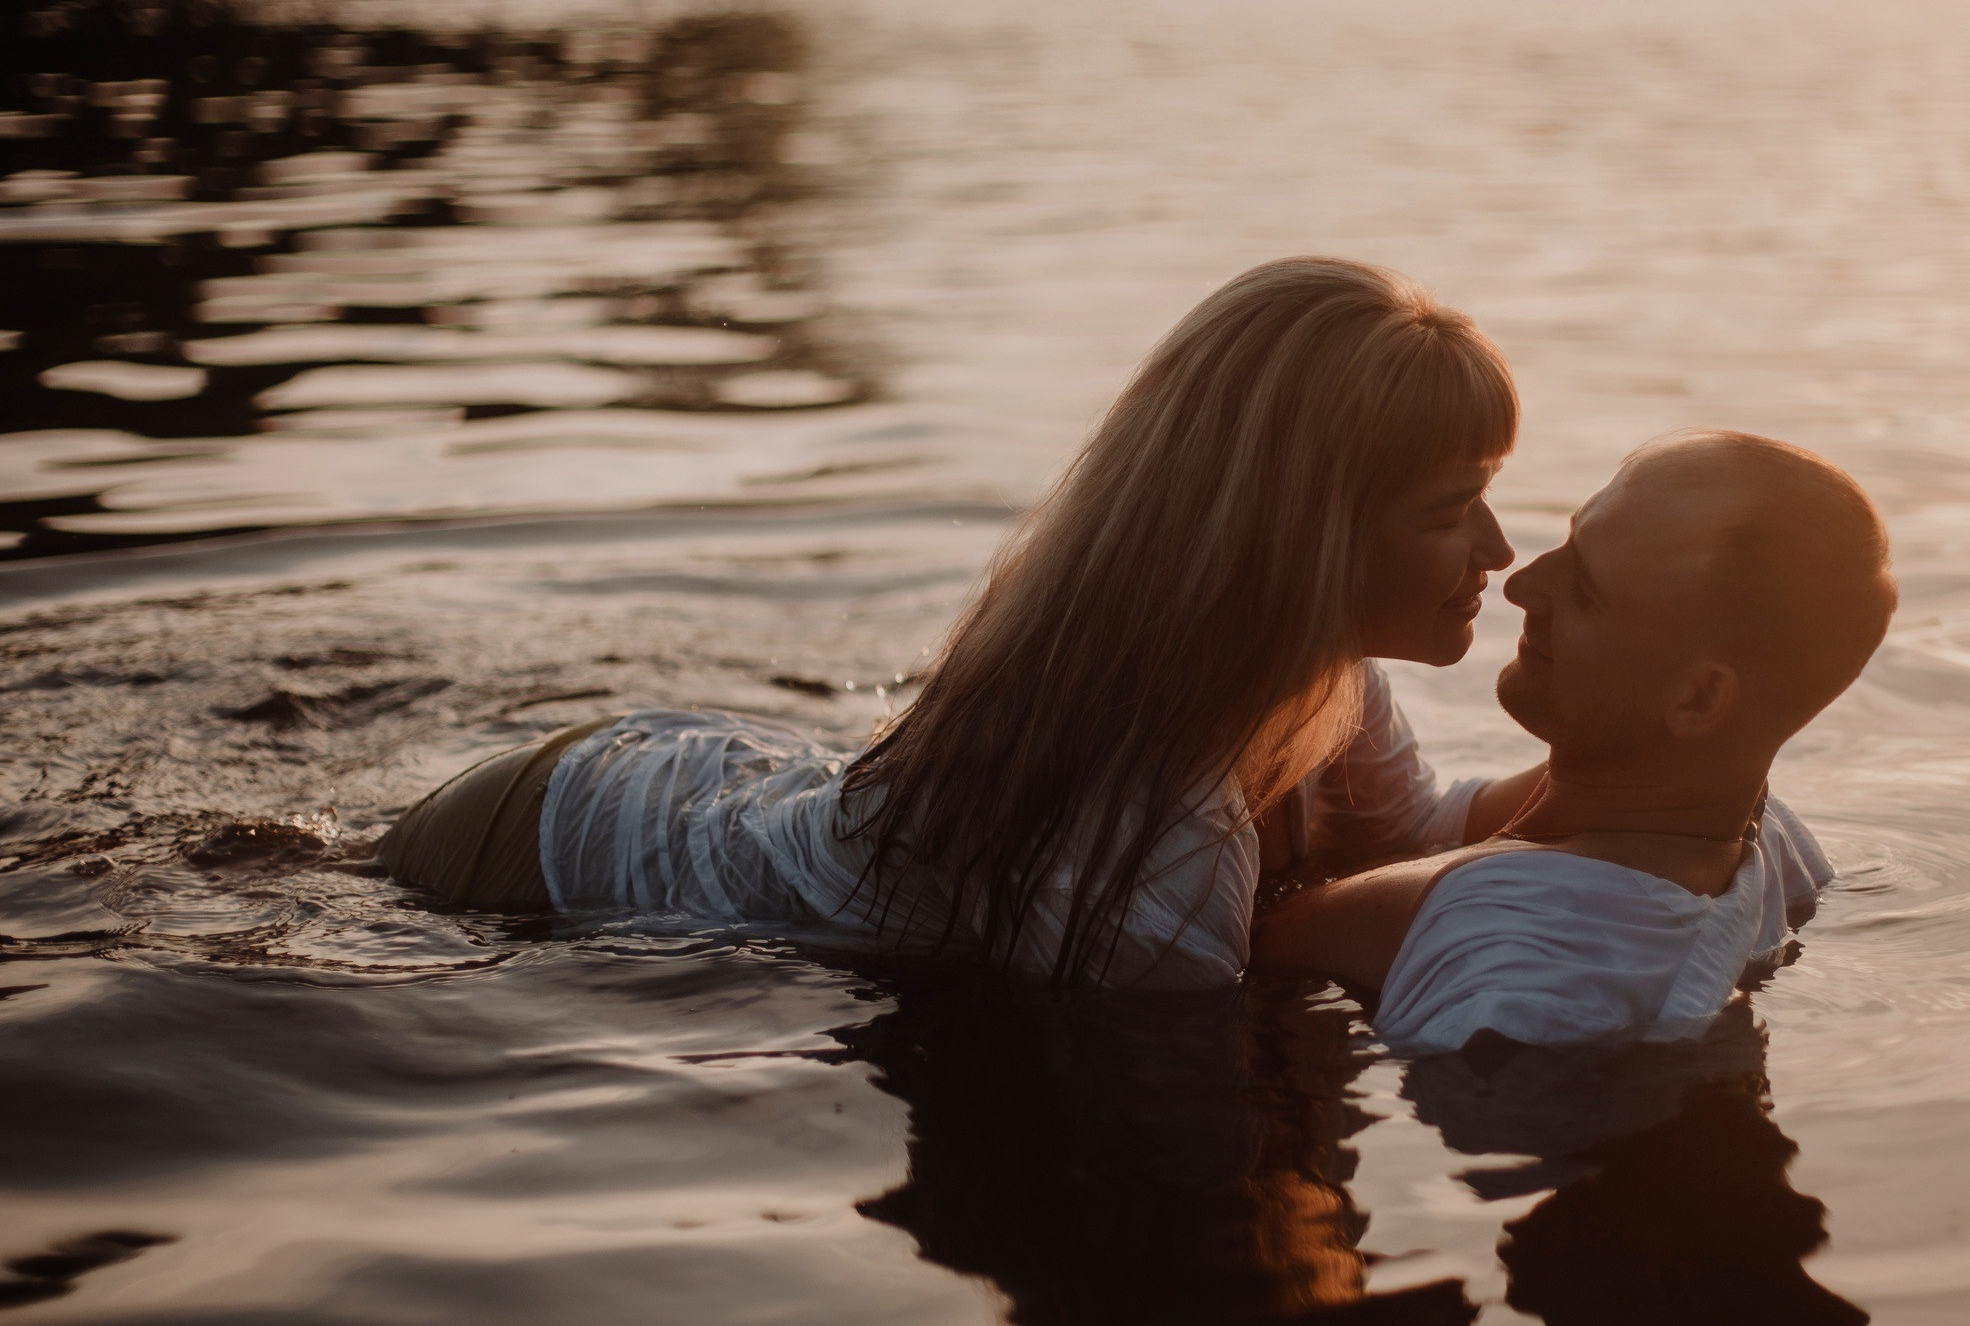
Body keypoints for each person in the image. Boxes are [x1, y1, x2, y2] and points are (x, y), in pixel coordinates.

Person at [378, 257, 1547, 987]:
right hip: (551, 845)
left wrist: (1659, 769)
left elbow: (1421, 832)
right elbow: (1183, 1052)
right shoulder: (1154, 827)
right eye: (1452, 509)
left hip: (674, 773)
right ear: (1304, 534)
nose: (1499, 551)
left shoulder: (1324, 684)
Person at [1254, 430, 1895, 1051]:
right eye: (1568, 539)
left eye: (1584, 589)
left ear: (1698, 699)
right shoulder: (1768, 841)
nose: (1521, 584)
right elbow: (1411, 825)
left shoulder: (1522, 971)